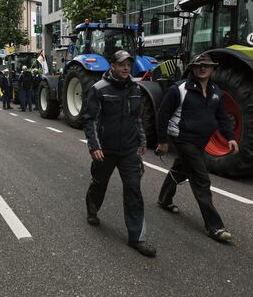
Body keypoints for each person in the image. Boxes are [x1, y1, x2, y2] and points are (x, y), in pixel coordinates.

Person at [155, 52, 239, 242]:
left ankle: (164, 199)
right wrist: (162, 141)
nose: (203, 68)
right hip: (183, 138)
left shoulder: (216, 91)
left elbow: (222, 117)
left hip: (202, 139)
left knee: (181, 169)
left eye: (207, 66)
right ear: (192, 68)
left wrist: (230, 138)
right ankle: (214, 227)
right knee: (201, 178)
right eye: (199, 65)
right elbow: (162, 114)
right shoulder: (179, 89)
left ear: (212, 69)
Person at [83, 50, 156, 257]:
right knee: (99, 183)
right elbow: (91, 120)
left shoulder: (135, 88)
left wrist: (142, 140)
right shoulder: (99, 89)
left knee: (134, 189)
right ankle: (92, 208)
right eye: (122, 64)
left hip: (129, 151)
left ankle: (137, 238)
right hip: (105, 150)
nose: (126, 68)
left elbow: (137, 117)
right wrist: (94, 146)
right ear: (112, 66)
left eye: (128, 65)